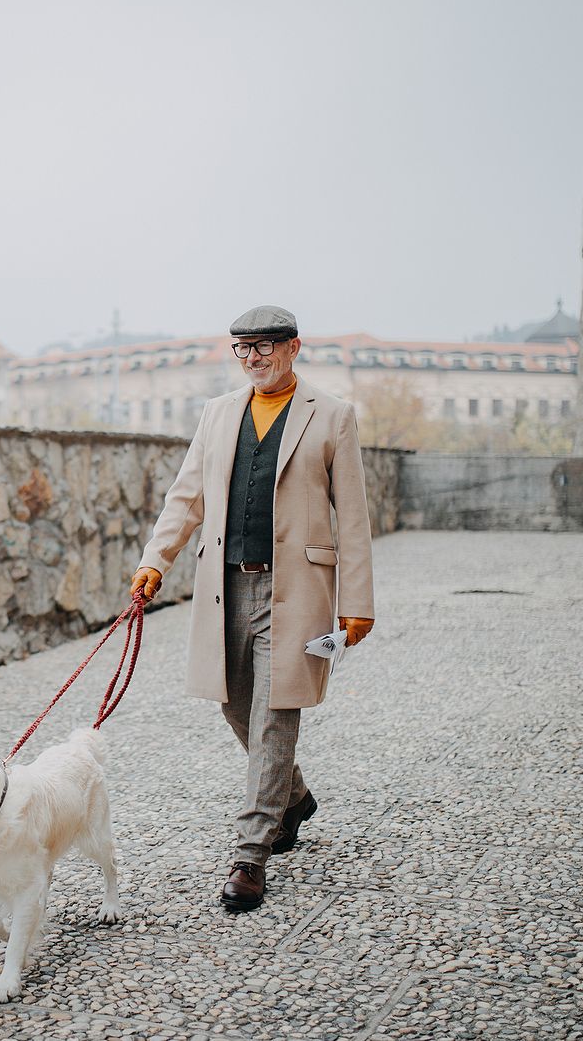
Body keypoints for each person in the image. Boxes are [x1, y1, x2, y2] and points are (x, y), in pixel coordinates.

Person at [129, 305, 375, 912]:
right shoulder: (218, 413)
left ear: (293, 348)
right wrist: (156, 560)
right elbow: (186, 498)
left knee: (274, 714)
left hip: (297, 589)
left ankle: (251, 854)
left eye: (265, 346)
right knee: (234, 703)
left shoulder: (332, 415)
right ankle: (294, 796)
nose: (253, 358)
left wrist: (357, 602)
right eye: (243, 348)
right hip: (225, 586)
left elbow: (354, 517)